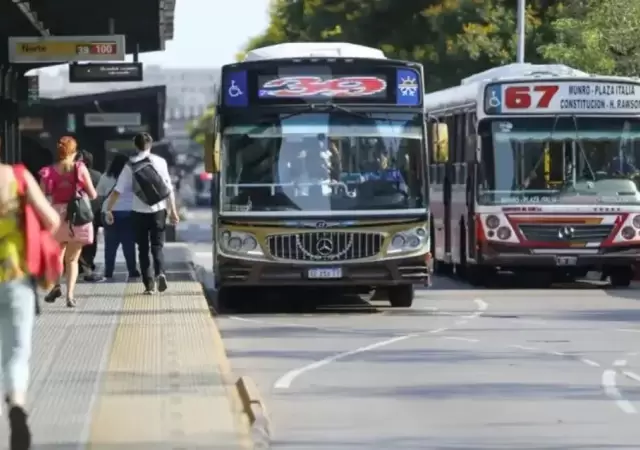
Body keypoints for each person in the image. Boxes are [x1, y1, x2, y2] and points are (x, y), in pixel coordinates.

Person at [0, 136, 61, 449]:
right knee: (17, 352)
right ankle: (17, 407)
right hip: (15, 277)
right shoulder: (19, 177)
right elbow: (52, 220)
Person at [104, 133, 179, 294]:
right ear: (150, 145)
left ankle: (149, 286)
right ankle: (160, 273)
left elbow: (118, 191)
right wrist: (173, 210)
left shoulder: (129, 165)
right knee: (157, 247)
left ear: (135, 145)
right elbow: (167, 188)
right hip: (158, 210)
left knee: (143, 249)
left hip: (138, 212)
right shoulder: (160, 162)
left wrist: (109, 208)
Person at [39, 136, 97, 307]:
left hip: (57, 217)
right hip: (76, 216)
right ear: (74, 151)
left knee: (57, 255)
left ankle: (57, 285)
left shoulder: (48, 171)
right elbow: (93, 194)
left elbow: (42, 197)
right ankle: (70, 296)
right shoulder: (80, 168)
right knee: (72, 260)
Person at [96, 153, 139, 279]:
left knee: (110, 244)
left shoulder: (105, 177)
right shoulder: (132, 177)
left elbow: (99, 196)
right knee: (128, 243)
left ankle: (108, 271)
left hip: (109, 213)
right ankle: (132, 270)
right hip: (128, 213)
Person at [77, 150, 104, 282]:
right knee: (91, 241)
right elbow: (98, 195)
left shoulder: (72, 174)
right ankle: (88, 262)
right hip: (92, 213)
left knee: (76, 240)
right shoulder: (97, 175)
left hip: (76, 212)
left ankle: (81, 264)